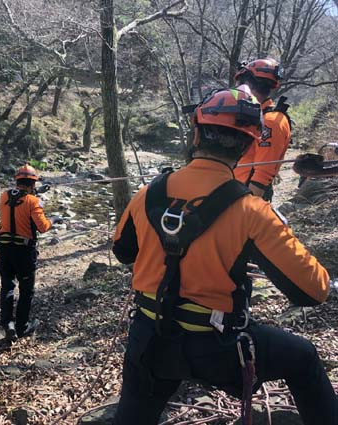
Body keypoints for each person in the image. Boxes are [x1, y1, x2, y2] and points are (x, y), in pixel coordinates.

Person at [112, 88, 336, 425]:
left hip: (150, 340)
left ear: (196, 135)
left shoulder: (148, 194)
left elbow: (123, 251)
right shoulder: (252, 212)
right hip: (218, 349)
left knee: (134, 414)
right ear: (248, 147)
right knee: (302, 357)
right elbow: (313, 291)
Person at [0, 164, 61, 341]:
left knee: (7, 286)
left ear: (17, 181)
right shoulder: (33, 201)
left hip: (4, 249)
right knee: (26, 290)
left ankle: (8, 324)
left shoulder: (4, 196)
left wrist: (36, 192)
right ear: (32, 184)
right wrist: (54, 219)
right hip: (23, 252)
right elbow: (43, 227)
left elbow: (19, 200)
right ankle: (22, 326)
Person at [233, 58, 292, 201]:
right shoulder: (255, 116)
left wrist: (247, 207)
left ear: (247, 84)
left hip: (244, 197)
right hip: (233, 192)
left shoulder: (270, 121)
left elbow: (262, 173)